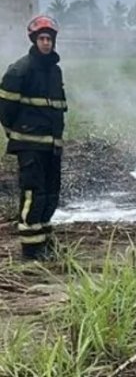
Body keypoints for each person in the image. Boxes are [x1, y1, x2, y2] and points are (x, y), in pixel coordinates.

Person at [0, 15, 67, 261]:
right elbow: (6, 110)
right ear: (34, 40)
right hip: (29, 147)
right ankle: (31, 251)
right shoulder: (20, 70)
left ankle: (45, 244)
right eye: (42, 38)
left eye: (50, 39)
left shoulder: (54, 71)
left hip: (51, 146)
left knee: (50, 195)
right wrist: (19, 134)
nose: (46, 43)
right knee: (33, 194)